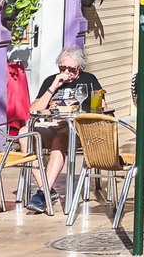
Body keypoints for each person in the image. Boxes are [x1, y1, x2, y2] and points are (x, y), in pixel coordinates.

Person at [26, 47, 104, 214]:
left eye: (71, 69)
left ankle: (42, 193)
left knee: (60, 138)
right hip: (51, 125)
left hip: (76, 129)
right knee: (25, 133)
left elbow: (102, 108)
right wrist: (53, 87)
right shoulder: (51, 81)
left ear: (80, 68)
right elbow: (34, 110)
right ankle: (46, 191)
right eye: (63, 68)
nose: (66, 72)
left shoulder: (89, 80)